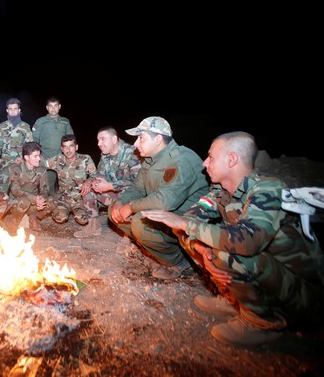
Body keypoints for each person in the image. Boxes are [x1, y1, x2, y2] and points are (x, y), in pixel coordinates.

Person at [142, 131, 324, 347]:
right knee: (193, 235)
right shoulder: (220, 190)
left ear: (232, 160)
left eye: (210, 157)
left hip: (306, 294)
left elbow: (247, 241)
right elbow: (190, 219)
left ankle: (264, 322)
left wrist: (187, 227)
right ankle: (238, 300)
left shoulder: (268, 189)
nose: (204, 162)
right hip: (270, 274)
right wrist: (201, 248)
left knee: (225, 250)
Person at [109, 116, 209, 280]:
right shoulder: (150, 159)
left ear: (158, 139)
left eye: (141, 138)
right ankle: (156, 247)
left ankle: (179, 260)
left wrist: (131, 207)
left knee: (140, 223)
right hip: (167, 209)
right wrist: (121, 202)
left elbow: (165, 201)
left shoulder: (181, 159)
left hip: (190, 216)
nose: (135, 144)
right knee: (114, 210)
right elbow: (137, 188)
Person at [74, 126, 141, 238]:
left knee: (129, 195)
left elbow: (137, 183)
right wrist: (96, 182)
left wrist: (109, 185)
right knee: (89, 189)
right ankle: (93, 226)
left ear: (114, 139)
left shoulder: (132, 153)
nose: (99, 144)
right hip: (114, 193)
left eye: (103, 139)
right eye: (98, 140)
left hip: (130, 196)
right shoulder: (105, 155)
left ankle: (129, 236)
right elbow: (100, 173)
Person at [2, 141, 56, 234]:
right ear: (26, 157)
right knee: (25, 201)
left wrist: (41, 199)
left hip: (34, 202)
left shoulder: (41, 170)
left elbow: (45, 189)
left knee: (53, 202)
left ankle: (34, 216)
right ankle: (11, 222)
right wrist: (34, 198)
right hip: (18, 202)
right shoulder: (16, 169)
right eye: (35, 156)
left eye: (39, 155)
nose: (39, 159)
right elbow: (15, 191)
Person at [43, 134, 96, 226]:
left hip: (80, 199)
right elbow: (41, 164)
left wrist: (89, 181)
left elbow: (95, 175)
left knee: (83, 219)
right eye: (65, 147)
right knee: (60, 217)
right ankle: (63, 211)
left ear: (76, 147)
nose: (68, 150)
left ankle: (79, 212)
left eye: (71, 146)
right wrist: (24, 160)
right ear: (62, 149)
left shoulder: (85, 159)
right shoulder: (58, 159)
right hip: (63, 199)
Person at [32, 96, 74, 197]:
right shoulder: (40, 121)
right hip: (45, 156)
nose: (53, 108)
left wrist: (70, 154)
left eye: (55, 106)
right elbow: (34, 140)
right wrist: (38, 155)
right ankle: (45, 202)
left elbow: (71, 138)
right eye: (50, 106)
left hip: (61, 157)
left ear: (59, 107)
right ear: (47, 107)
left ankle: (65, 202)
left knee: (66, 181)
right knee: (46, 183)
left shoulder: (65, 121)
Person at [0, 97, 33, 193]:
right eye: (10, 109)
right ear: (7, 110)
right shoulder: (2, 126)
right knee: (1, 192)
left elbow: (29, 147)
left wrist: (23, 159)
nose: (13, 111)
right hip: (5, 164)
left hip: (20, 165)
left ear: (19, 110)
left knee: (19, 192)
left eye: (15, 109)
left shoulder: (25, 127)